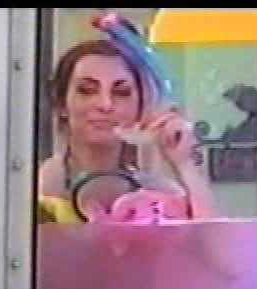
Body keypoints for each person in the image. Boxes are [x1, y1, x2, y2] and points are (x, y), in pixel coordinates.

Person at [38, 39, 217, 224]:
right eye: (87, 90)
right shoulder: (33, 187)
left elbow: (211, 238)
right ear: (61, 103)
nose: (105, 104)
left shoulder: (159, 194)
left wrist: (184, 165)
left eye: (121, 92)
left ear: (140, 106)